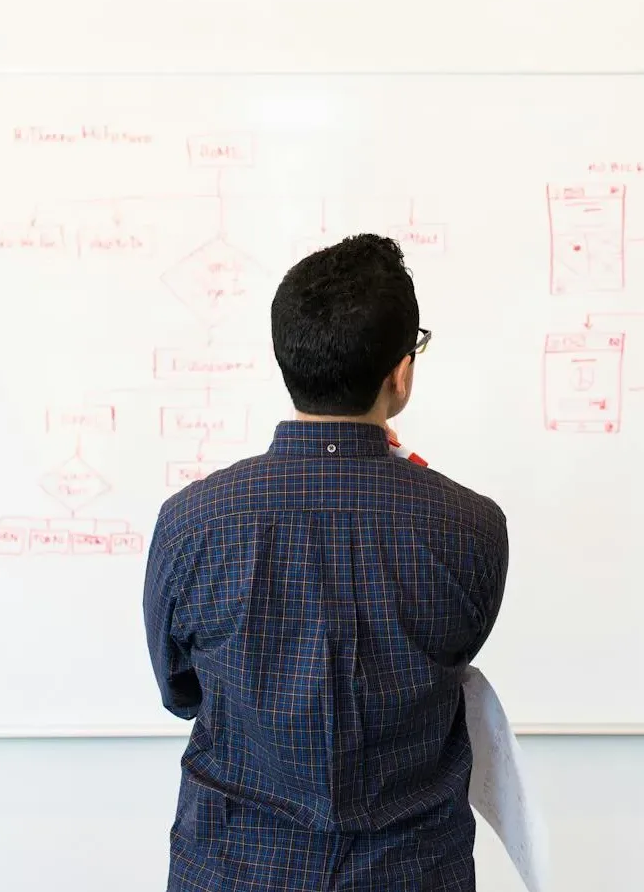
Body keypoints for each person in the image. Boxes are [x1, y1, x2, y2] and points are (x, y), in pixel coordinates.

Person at [143, 233, 509, 891]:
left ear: (287, 361)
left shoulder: (190, 523)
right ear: (400, 373)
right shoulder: (471, 527)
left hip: (232, 869)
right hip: (410, 874)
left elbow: (181, 693)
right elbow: (452, 661)